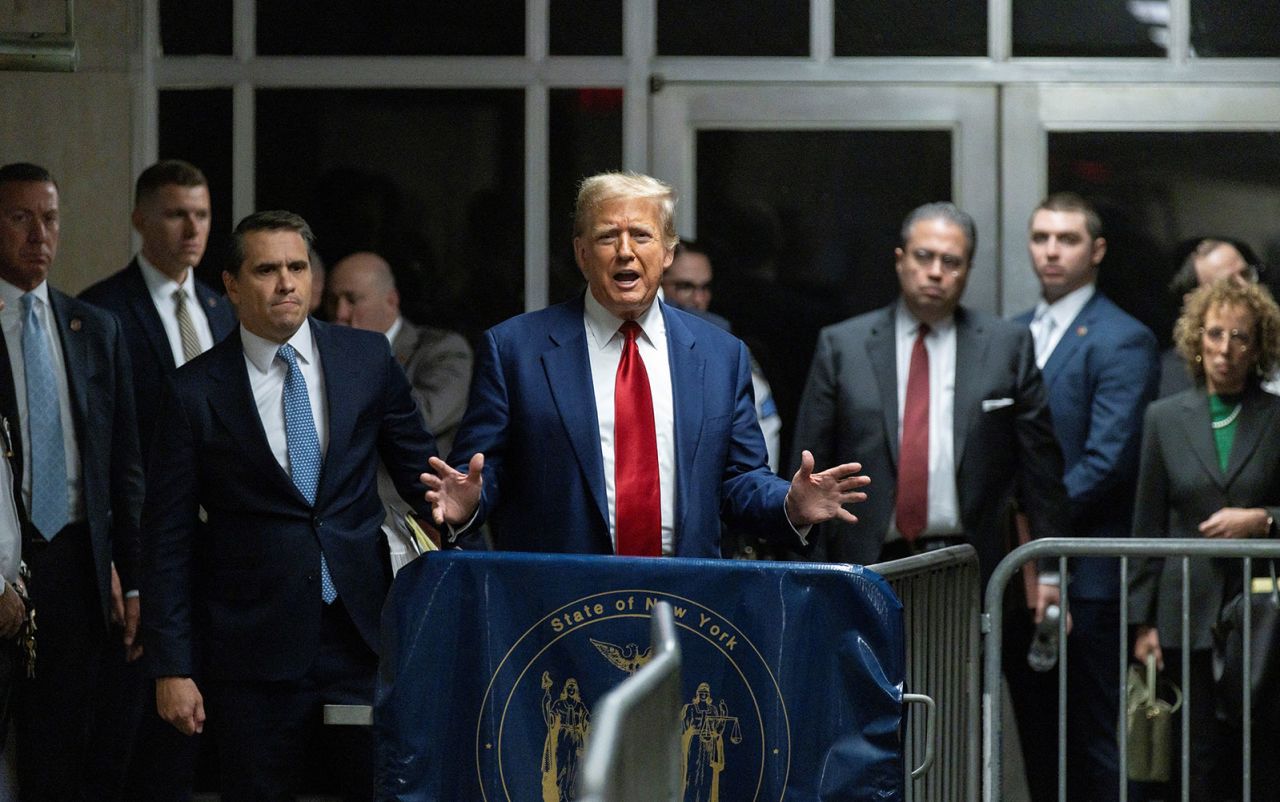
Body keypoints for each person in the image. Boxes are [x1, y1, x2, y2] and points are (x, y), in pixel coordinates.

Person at [141, 210, 438, 799]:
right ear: (230, 284)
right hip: (250, 649)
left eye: (297, 267)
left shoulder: (366, 358)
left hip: (359, 634)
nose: (286, 284)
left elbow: (422, 477)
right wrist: (171, 667)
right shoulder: (192, 391)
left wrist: (460, 503)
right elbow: (167, 540)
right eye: (267, 270)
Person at [423, 171, 868, 557]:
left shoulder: (719, 355)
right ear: (581, 254)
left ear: (668, 253)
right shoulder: (514, 350)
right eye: (605, 237)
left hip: (687, 602)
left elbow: (739, 479)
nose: (624, 251)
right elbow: (482, 473)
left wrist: (788, 505)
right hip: (557, 601)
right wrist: (468, 506)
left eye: (641, 235)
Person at [790, 201, 1070, 801]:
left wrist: (1049, 571)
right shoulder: (841, 345)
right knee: (866, 723)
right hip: (868, 564)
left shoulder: (1006, 345)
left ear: (967, 271)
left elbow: (1041, 471)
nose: (935, 272)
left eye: (951, 261)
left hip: (968, 566)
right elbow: (806, 470)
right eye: (924, 257)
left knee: (961, 723)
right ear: (900, 261)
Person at [79, 158, 238, 800]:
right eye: (176, 214)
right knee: (127, 731)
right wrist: (124, 562)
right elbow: (102, 449)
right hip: (143, 544)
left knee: (197, 737)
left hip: (220, 549)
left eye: (200, 214)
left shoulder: (223, 309)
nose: (191, 229)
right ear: (142, 219)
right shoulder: (101, 309)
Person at [0, 162, 145, 798]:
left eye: (50, 218)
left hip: (78, 565)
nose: (39, 234)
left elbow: (124, 467)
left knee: (67, 751)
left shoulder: (94, 327)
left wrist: (131, 576)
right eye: (20, 218)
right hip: (9, 556)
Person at [1014, 192, 1159, 801]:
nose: (1051, 250)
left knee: (1095, 743)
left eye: (1067, 239)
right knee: (1037, 739)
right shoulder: (1015, 330)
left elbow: (1108, 459)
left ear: (1096, 250)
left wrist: (1032, 521)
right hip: (1020, 567)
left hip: (1089, 574)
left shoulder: (1122, 337)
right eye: (1041, 237)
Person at [1130, 279, 1280, 802]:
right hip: (1184, 606)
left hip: (1261, 607)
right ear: (1196, 339)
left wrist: (1262, 518)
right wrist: (1142, 621)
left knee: (1260, 744)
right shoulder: (1165, 417)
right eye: (1214, 334)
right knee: (1196, 749)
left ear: (1259, 347)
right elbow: (1146, 522)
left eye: (1240, 336)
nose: (1225, 348)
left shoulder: (1276, 416)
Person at [326, 251, 472, 457]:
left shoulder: (444, 350)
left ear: (391, 300)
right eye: (333, 301)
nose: (340, 313)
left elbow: (420, 420)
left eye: (352, 300)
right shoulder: (325, 352)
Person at [661, 241, 781, 473]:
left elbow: (765, 427)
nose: (698, 299)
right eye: (685, 286)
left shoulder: (727, 349)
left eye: (705, 288)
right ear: (659, 284)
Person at [1160, 237, 1263, 397]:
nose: (1245, 288)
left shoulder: (1271, 346)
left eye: (1246, 274)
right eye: (1229, 284)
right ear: (1193, 303)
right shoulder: (1172, 378)